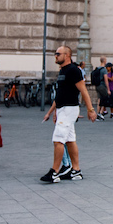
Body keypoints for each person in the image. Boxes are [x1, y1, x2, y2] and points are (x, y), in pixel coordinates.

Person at [41, 43, 96, 183]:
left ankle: (54, 172)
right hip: (63, 108)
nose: (55, 56)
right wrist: (54, 111)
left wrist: (91, 110)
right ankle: (76, 171)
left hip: (69, 108)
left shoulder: (73, 70)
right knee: (70, 140)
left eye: (58, 54)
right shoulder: (63, 70)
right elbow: (60, 94)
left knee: (58, 140)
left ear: (67, 55)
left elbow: (83, 90)